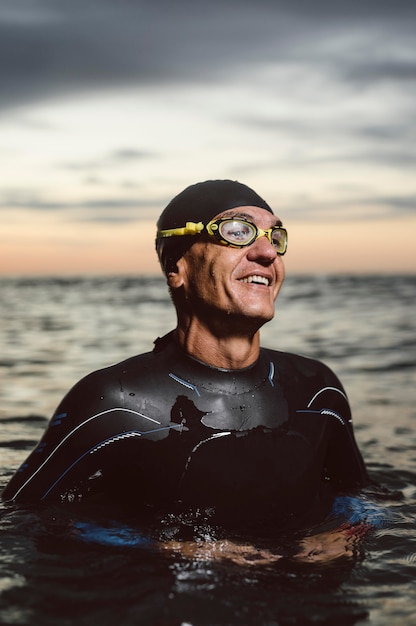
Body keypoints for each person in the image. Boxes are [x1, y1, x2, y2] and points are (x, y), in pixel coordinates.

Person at [2, 180, 377, 563]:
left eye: (275, 236)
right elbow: (18, 520)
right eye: (237, 232)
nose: (266, 252)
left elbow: (362, 497)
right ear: (177, 269)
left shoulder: (318, 391)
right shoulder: (116, 403)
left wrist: (349, 531)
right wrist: (168, 548)